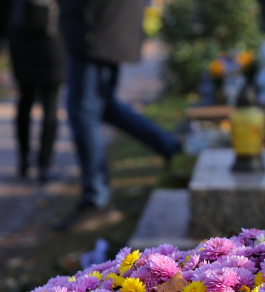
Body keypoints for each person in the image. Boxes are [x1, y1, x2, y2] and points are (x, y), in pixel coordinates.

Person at [56, 0, 183, 233]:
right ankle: (171, 148)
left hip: (94, 29)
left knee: (83, 113)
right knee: (103, 106)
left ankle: (97, 200)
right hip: (103, 27)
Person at [0, 0, 66, 183]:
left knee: (25, 99)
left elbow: (1, 7)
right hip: (54, 40)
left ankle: (24, 160)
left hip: (21, 39)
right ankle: (45, 164)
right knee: (50, 103)